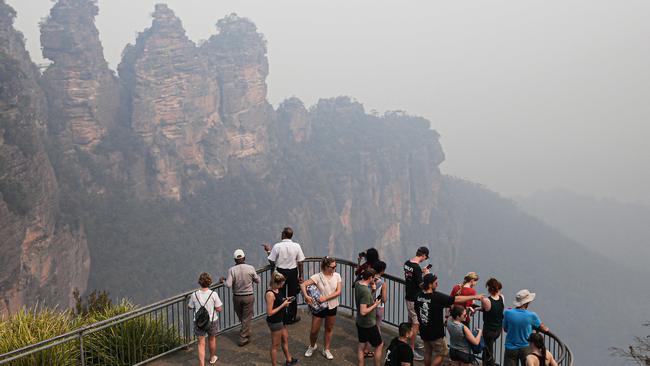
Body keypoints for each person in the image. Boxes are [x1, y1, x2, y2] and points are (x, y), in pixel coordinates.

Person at [415, 273, 483, 366]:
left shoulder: (418, 295)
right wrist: (474, 297)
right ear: (430, 285)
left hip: (423, 330)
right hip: (435, 333)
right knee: (442, 353)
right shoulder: (436, 297)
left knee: (428, 351)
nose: (437, 285)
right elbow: (456, 299)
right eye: (435, 283)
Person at [300, 256, 342, 360]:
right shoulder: (317, 277)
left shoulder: (337, 276)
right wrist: (306, 296)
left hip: (332, 305)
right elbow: (303, 285)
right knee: (314, 330)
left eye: (335, 266)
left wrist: (325, 298)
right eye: (332, 267)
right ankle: (312, 346)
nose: (334, 268)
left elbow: (338, 291)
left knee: (329, 328)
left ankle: (326, 349)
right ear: (326, 266)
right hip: (319, 307)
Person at [264, 227, 306, 324]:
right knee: (292, 294)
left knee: (280, 295)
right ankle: (291, 317)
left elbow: (272, 261)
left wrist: (268, 252)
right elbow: (300, 262)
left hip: (280, 272)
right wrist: (300, 275)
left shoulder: (277, 246)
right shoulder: (296, 246)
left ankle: (281, 317)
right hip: (293, 272)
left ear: (283, 235)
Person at [222, 249, 260, 346]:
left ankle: (244, 333)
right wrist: (254, 278)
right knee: (246, 317)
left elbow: (229, 284)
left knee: (242, 316)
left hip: (237, 297)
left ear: (235, 260)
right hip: (248, 296)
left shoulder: (232, 270)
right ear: (244, 258)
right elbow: (257, 280)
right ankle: (244, 336)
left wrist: (223, 281)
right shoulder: (250, 268)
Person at [503, 289, 549, 366]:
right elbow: (544, 328)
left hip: (510, 347)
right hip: (526, 347)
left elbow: (505, 329)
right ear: (526, 303)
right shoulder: (531, 315)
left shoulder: (507, 313)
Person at [188, 272, 223, 366]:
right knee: (211, 339)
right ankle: (212, 358)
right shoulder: (213, 294)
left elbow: (190, 307)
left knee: (201, 344)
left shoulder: (194, 295)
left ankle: (201, 364)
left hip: (198, 322)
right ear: (209, 282)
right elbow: (219, 308)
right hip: (212, 321)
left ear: (200, 282)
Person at [265, 271, 298, 366]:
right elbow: (269, 312)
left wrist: (285, 299)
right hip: (275, 321)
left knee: (285, 339)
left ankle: (288, 359)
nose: (282, 285)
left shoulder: (277, 290)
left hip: (281, 319)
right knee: (275, 345)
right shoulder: (270, 294)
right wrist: (283, 305)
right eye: (281, 283)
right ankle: (274, 364)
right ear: (276, 283)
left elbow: (278, 300)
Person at [404, 246, 430, 361]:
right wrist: (426, 275)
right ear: (423, 255)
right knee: (416, 324)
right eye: (426, 257)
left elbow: (412, 277)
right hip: (414, 298)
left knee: (410, 322)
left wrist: (421, 272)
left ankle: (407, 343)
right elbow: (421, 285)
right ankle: (411, 350)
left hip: (408, 295)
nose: (425, 259)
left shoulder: (407, 263)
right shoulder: (416, 268)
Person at [355, 269, 384, 366]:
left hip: (360, 321)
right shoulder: (365, 291)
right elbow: (363, 311)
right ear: (370, 278)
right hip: (368, 323)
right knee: (379, 345)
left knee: (361, 345)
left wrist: (373, 290)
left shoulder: (358, 284)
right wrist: (375, 304)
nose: (375, 279)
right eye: (374, 277)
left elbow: (365, 301)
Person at [480, 278, 504, 366]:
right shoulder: (502, 298)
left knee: (488, 352)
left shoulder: (486, 300)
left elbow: (484, 308)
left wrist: (481, 299)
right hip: (498, 330)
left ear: (489, 289)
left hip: (488, 331)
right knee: (487, 349)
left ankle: (489, 364)